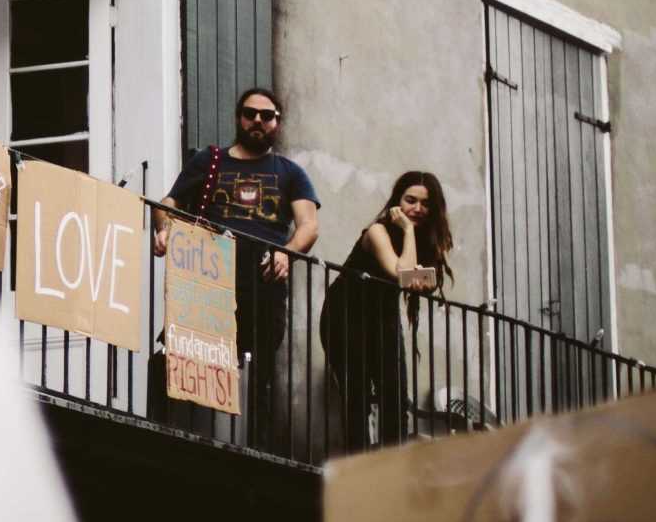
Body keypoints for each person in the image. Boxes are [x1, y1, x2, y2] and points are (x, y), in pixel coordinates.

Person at [152, 87, 320, 448]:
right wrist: (163, 229)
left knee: (257, 366)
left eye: (267, 115)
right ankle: (182, 437)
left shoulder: (290, 173)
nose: (257, 120)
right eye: (250, 113)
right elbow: (168, 202)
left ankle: (251, 444)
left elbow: (309, 224)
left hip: (261, 279)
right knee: (189, 353)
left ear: (277, 122)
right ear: (238, 117)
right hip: (208, 275)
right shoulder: (209, 161)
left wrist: (287, 253)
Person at [318, 171, 454, 454]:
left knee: (396, 398)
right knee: (357, 396)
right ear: (397, 202)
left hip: (383, 317)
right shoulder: (377, 232)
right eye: (410, 200)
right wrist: (406, 230)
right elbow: (401, 273)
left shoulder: (423, 242)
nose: (417, 209)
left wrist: (417, 270)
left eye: (425, 204)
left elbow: (424, 283)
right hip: (347, 314)